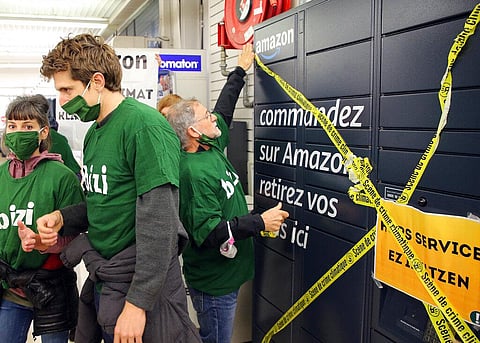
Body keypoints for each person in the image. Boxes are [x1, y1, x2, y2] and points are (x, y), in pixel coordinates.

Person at [37, 33, 201, 343]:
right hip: (107, 280)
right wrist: (62, 218)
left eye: (67, 89)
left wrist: (138, 303)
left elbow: (160, 220)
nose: (61, 100)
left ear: (97, 81)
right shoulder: (95, 133)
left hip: (139, 289)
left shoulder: (144, 126)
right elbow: (103, 200)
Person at [167, 43, 290, 343]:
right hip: (215, 286)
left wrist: (239, 69)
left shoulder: (209, 146)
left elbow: (224, 109)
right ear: (193, 133)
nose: (213, 118)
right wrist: (260, 222)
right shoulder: (192, 174)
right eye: (206, 117)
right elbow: (209, 234)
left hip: (230, 276)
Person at [0, 94, 85, 343]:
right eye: (13, 126)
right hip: (10, 288)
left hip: (52, 287)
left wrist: (42, 242)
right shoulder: (1, 176)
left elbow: (74, 236)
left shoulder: (62, 177)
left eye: (28, 127)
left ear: (43, 132)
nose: (18, 133)